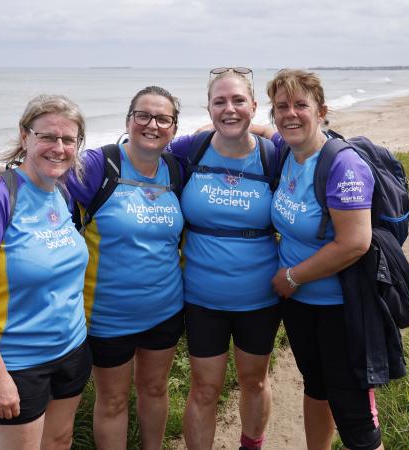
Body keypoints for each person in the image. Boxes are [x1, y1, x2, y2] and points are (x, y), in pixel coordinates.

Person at [0, 86, 185, 450]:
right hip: (106, 318)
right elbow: (38, 173)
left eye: (163, 118)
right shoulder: (100, 165)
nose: (152, 124)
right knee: (113, 401)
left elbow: (232, 133)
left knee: (154, 390)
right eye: (143, 116)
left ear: (174, 128)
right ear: (128, 121)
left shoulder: (178, 167)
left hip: (165, 310)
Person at [254, 69, 385, 450]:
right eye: (281, 107)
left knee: (354, 412)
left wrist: (292, 277)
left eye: (300, 105)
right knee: (316, 386)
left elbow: (354, 243)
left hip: (342, 307)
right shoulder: (289, 152)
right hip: (301, 308)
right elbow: (263, 133)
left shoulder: (343, 166)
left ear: (322, 110)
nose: (290, 114)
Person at [0, 94, 91, 450]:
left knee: (60, 441)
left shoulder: (62, 189)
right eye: (47, 136)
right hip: (15, 361)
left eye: (67, 140)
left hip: (71, 349)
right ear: (25, 136)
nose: (58, 147)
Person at [166, 68, 280, 450]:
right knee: (204, 388)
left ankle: (252, 445)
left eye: (238, 101)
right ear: (209, 107)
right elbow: (137, 147)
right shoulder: (190, 150)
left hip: (260, 296)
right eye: (220, 102)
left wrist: (269, 132)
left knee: (255, 381)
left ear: (254, 106)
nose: (229, 109)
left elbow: (318, 146)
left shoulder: (273, 155)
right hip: (201, 298)